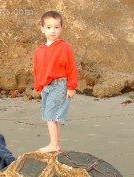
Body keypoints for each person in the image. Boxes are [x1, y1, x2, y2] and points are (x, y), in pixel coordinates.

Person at [34, 10, 78, 153]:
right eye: (49, 27)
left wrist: (71, 87)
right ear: (42, 28)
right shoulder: (40, 50)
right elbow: (38, 69)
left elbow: (71, 67)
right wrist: (39, 87)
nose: (53, 31)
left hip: (60, 85)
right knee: (52, 116)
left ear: (61, 28)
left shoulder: (64, 47)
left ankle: (54, 145)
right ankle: (55, 144)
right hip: (46, 86)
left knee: (50, 116)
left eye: (56, 27)